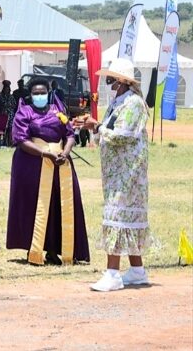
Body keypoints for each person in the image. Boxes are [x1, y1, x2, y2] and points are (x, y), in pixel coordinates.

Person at [79, 59, 153, 292]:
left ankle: (112, 273)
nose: (107, 80)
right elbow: (110, 129)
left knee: (117, 216)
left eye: (111, 77)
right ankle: (137, 270)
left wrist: (97, 127)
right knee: (126, 218)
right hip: (117, 171)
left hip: (127, 173)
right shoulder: (120, 102)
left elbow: (122, 134)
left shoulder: (132, 103)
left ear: (122, 80)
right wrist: (95, 126)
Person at [6, 78, 89, 266]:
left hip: (59, 163)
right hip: (32, 164)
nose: (40, 96)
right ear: (30, 95)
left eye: (42, 92)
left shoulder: (57, 111)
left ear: (48, 93)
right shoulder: (24, 112)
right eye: (36, 93)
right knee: (34, 205)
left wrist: (65, 152)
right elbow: (20, 139)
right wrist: (44, 153)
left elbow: (69, 134)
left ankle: (55, 250)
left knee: (58, 205)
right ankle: (33, 248)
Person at [0, 80, 17, 146]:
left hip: (10, 114)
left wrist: (10, 106)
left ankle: (9, 142)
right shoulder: (0, 96)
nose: (7, 90)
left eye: (8, 89)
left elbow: (14, 104)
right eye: (6, 89)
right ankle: (1, 143)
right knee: (2, 129)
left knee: (10, 129)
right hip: (3, 114)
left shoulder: (11, 96)